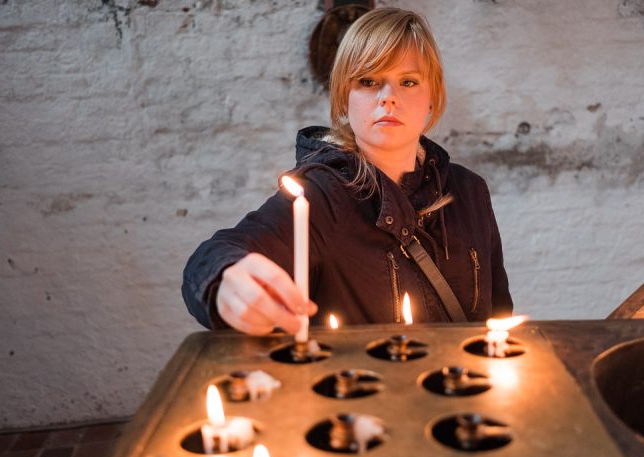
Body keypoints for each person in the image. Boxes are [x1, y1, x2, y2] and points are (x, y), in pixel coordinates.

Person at [182, 7, 512, 334]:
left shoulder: (469, 192)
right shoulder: (323, 195)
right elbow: (216, 255)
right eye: (368, 81)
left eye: (408, 81)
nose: (388, 98)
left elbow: (498, 316)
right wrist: (225, 280)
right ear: (344, 98)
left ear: (432, 97)